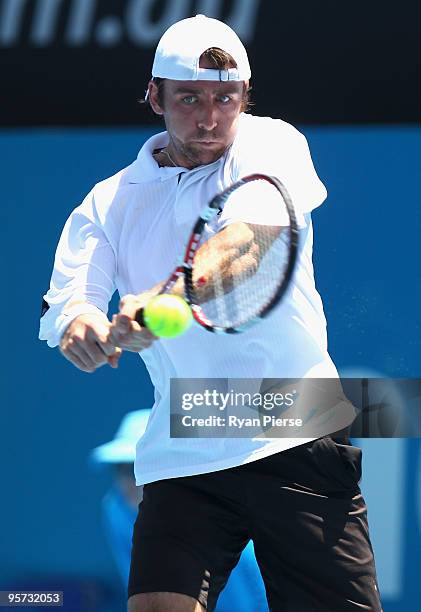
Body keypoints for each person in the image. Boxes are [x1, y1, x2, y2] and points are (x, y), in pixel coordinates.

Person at [39, 14, 383, 612]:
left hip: (295, 422)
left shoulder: (273, 143)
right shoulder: (106, 202)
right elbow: (73, 305)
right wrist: (87, 330)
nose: (209, 116)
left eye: (226, 98)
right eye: (189, 98)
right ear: (154, 97)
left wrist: (170, 298)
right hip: (187, 437)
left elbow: (247, 242)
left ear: (245, 99)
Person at [90, 410, 267, 611]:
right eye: (120, 469)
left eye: (135, 467)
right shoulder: (116, 509)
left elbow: (253, 591)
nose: (127, 482)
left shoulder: (212, 506)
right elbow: (137, 583)